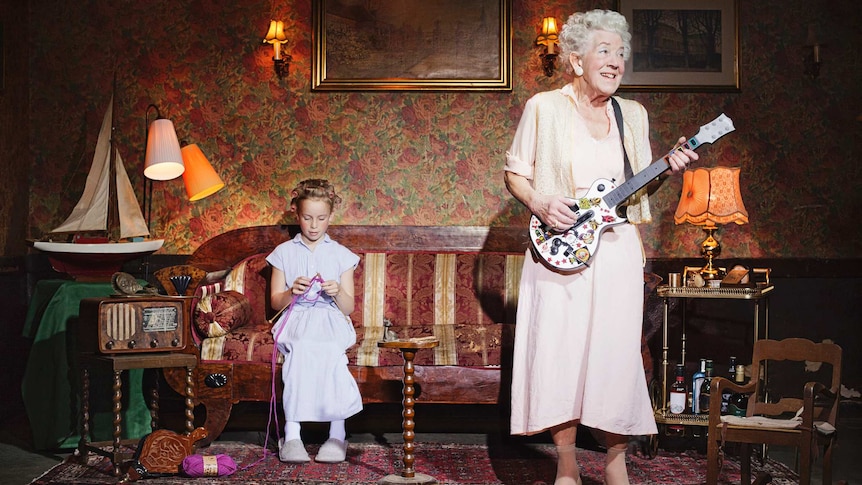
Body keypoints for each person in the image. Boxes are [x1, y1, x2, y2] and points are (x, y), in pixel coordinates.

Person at [503, 9, 699, 485]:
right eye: (604, 51)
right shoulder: (544, 107)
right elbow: (515, 174)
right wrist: (541, 202)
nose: (615, 61)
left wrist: (666, 168)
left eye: (621, 53)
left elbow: (632, 195)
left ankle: (616, 463)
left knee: (615, 355)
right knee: (560, 352)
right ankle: (566, 463)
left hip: (616, 252)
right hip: (560, 251)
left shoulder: (633, 114)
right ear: (576, 60)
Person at [266, 179, 362, 463]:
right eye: (307, 218)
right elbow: (274, 301)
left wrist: (337, 292)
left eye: (321, 218)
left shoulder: (342, 255)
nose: (313, 225)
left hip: (331, 319)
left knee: (330, 351)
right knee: (303, 348)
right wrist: (290, 292)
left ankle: (337, 435)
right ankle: (292, 435)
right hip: (297, 317)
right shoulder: (284, 253)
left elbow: (349, 306)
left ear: (331, 217)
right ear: (296, 214)